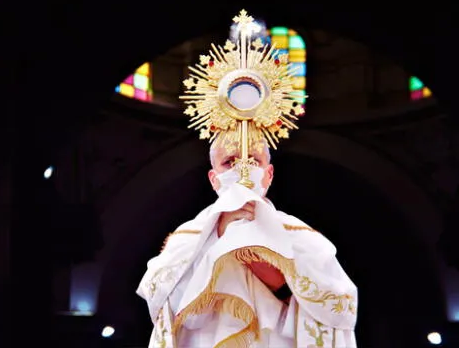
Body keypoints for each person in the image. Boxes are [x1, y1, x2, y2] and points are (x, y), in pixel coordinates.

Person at [137, 141, 358, 347]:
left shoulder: (301, 236)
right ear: (214, 179)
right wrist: (218, 239)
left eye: (253, 160)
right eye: (229, 162)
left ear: (269, 174)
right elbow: (174, 314)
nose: (242, 169)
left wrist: (278, 280)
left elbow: (337, 308)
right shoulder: (187, 239)